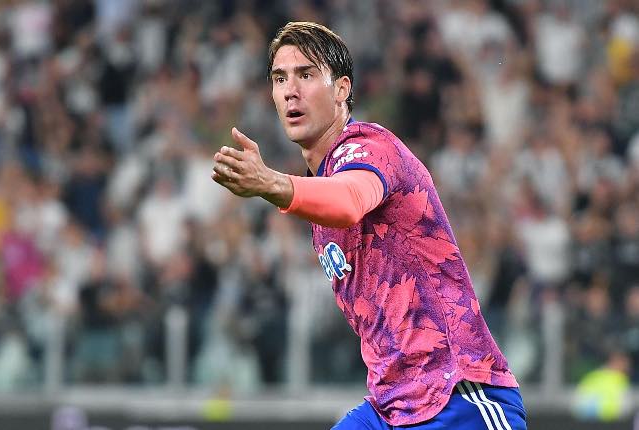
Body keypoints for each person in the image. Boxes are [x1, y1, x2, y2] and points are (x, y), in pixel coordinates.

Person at [211, 21, 526, 430]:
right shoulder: (319, 189)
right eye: (280, 78)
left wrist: (271, 183)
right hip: (391, 405)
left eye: (306, 74)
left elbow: (349, 202)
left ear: (341, 89)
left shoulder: (370, 147)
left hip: (457, 393)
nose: (290, 90)